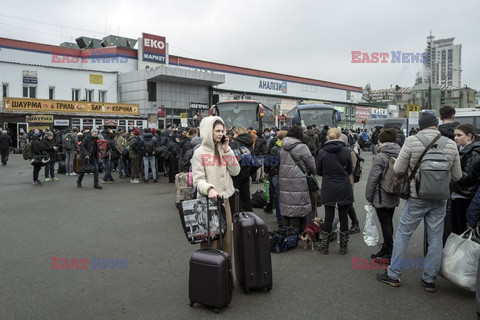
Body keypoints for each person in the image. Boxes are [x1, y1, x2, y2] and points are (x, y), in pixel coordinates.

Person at [376, 112, 461, 292]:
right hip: (440, 200)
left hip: (417, 197)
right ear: (436, 125)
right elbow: (457, 176)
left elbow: (398, 169)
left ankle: (393, 275)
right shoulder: (451, 144)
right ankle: (429, 279)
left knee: (403, 235)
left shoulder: (411, 141)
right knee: (436, 239)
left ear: (421, 125)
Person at [192, 116, 240, 257]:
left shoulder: (223, 149)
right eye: (217, 131)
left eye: (222, 130)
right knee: (211, 243)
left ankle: (226, 273)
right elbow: (198, 179)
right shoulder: (199, 153)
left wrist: (227, 150)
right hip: (208, 204)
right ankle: (211, 275)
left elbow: (236, 171)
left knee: (227, 241)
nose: (220, 133)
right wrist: (209, 189)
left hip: (225, 202)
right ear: (208, 131)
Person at [365, 128, 401, 262]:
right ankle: (386, 248)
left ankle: (389, 251)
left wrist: (369, 197)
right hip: (393, 191)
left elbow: (373, 179)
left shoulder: (381, 156)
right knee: (388, 222)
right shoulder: (400, 153)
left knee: (384, 223)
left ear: (382, 141)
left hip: (380, 194)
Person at [316, 128, 353, 254]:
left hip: (328, 185)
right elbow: (349, 170)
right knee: (344, 216)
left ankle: (325, 246)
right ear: (339, 136)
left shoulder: (322, 152)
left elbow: (318, 171)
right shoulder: (346, 151)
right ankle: (343, 247)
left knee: (328, 217)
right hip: (343, 185)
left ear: (328, 137)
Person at [279, 126, 316, 232]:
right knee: (297, 204)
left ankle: (286, 231)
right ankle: (296, 231)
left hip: (284, 179)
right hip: (299, 179)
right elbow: (312, 165)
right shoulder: (302, 147)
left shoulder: (283, 146)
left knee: (286, 203)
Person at [450, 124, 480, 234]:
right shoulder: (465, 150)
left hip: (465, 196)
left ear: (469, 136)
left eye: (459, 135)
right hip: (459, 194)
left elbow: (467, 178)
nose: (455, 138)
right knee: (457, 230)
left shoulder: (474, 152)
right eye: (455, 135)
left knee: (462, 231)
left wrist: (450, 170)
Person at [264, 130, 287, 228]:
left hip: (275, 175)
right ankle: (286, 218)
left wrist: (267, 171)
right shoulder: (289, 148)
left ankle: (279, 218)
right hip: (287, 176)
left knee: (278, 197)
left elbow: (268, 162)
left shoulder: (274, 149)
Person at [229, 126, 255, 212]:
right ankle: (249, 216)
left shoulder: (235, 143)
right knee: (246, 195)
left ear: (236, 133)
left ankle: (238, 216)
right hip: (246, 171)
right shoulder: (249, 141)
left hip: (236, 172)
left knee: (236, 197)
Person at [340, 134, 361, 234]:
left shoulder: (350, 152)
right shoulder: (345, 151)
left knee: (348, 204)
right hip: (344, 181)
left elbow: (351, 168)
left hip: (348, 180)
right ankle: (353, 223)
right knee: (345, 204)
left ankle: (355, 223)